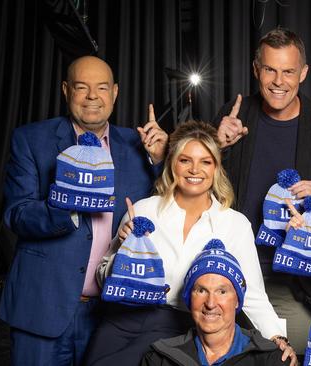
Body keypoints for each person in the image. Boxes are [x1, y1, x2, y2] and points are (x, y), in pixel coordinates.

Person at [0, 55, 168, 364]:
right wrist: (65, 204)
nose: (92, 96)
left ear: (114, 93)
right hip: (43, 309)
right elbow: (17, 213)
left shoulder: (137, 144)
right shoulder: (31, 139)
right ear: (65, 90)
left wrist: (160, 162)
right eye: (81, 87)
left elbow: (166, 204)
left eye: (102, 88)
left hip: (111, 314)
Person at [85, 120, 293, 365]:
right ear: (172, 164)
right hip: (120, 321)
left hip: (179, 328)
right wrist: (123, 250)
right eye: (185, 160)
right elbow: (102, 277)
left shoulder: (235, 224)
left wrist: (277, 337)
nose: (195, 170)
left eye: (205, 162)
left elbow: (254, 295)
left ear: (216, 168)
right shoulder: (143, 210)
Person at [212, 27, 311, 354]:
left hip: (293, 280)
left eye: (288, 71)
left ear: (303, 73)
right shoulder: (234, 116)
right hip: (234, 268)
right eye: (270, 69)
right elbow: (198, 180)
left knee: (298, 352)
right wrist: (217, 145)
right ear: (256, 70)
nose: (278, 81)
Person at [141, 239, 290, 365]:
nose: (211, 303)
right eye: (201, 291)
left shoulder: (272, 358)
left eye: (222, 292)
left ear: (237, 301)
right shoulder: (159, 358)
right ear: (189, 298)